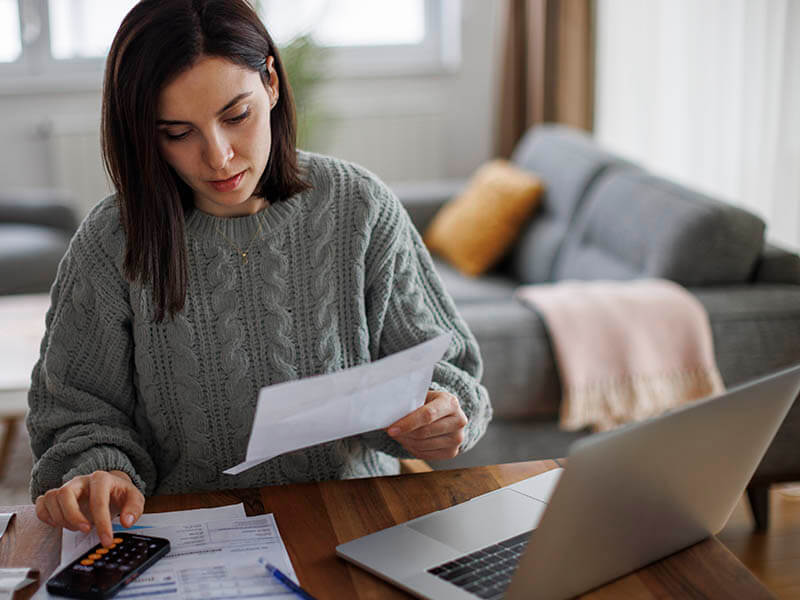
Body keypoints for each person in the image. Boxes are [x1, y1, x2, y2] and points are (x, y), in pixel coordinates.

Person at [27, 0, 491, 549]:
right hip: (187, 539)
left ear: (270, 82)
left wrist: (441, 412)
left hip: (355, 529)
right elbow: (76, 412)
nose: (218, 158)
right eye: (178, 132)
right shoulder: (113, 241)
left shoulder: (360, 208)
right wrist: (99, 471)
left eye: (235, 116)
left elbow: (453, 372)